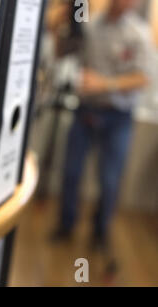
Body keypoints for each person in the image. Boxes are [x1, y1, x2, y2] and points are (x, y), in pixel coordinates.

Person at [53, 0, 153, 251]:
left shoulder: (138, 33)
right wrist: (60, 28)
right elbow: (63, 52)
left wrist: (105, 84)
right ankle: (66, 225)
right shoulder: (90, 24)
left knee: (109, 180)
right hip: (85, 111)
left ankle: (100, 233)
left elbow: (143, 78)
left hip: (117, 117)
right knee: (71, 172)